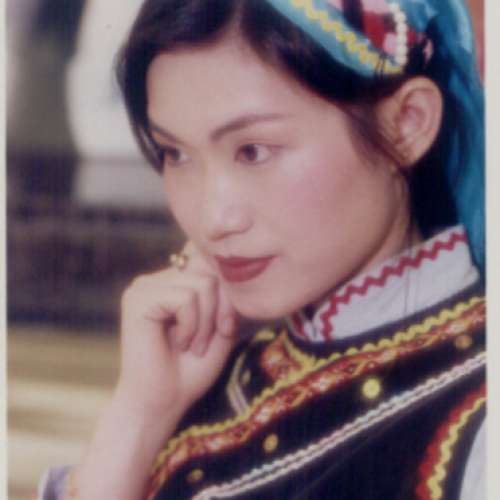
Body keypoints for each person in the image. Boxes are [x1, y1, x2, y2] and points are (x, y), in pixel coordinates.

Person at [37, 0, 485, 498]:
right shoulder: (213, 377)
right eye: (175, 154)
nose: (212, 218)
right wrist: (140, 416)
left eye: (253, 151)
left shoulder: (481, 430)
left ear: (406, 124)